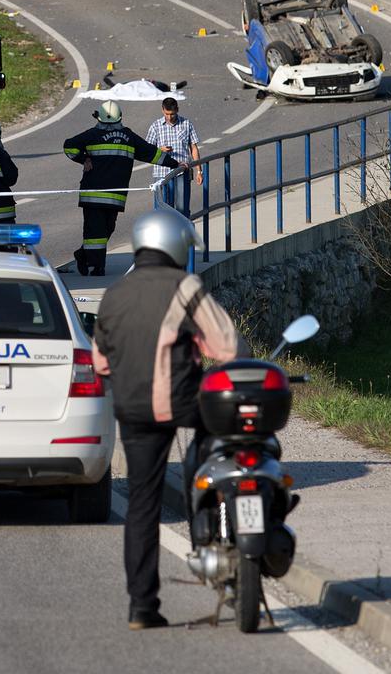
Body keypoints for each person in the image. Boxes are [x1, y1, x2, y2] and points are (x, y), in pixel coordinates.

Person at [92, 208, 242, 629]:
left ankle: (141, 607)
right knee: (214, 442)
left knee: (142, 504)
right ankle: (207, 513)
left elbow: (101, 361)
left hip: (132, 410)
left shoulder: (114, 294)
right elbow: (227, 348)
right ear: (175, 245)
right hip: (182, 401)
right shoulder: (185, 286)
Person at [62, 101, 181, 276]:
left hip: (102, 194)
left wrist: (83, 158)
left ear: (99, 118)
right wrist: (175, 164)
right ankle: (96, 267)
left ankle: (83, 255)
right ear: (120, 118)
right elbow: (151, 153)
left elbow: (69, 146)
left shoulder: (93, 134)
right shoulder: (126, 136)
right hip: (103, 195)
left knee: (104, 230)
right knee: (96, 232)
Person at [146, 98, 201, 217]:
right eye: (166, 114)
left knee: (182, 209)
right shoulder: (155, 126)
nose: (169, 117)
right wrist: (160, 149)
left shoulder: (186, 124)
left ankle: (182, 228)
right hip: (162, 174)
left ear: (177, 110)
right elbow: (147, 150)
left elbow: (194, 148)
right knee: (162, 211)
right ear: (162, 110)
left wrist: (199, 171)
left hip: (182, 172)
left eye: (172, 114)